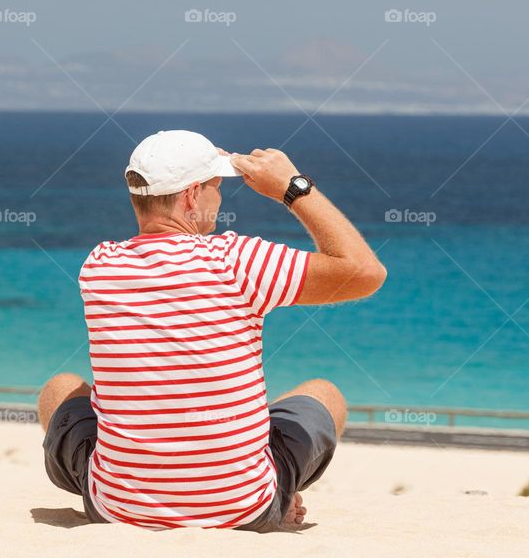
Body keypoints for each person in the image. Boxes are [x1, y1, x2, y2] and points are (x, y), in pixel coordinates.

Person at [39, 129, 386, 530]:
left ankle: (134, 487)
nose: (219, 199)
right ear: (191, 197)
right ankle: (273, 491)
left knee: (60, 388)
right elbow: (364, 272)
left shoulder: (98, 267)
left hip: (118, 511)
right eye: (217, 187)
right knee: (325, 394)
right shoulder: (238, 262)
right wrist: (293, 188)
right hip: (242, 512)